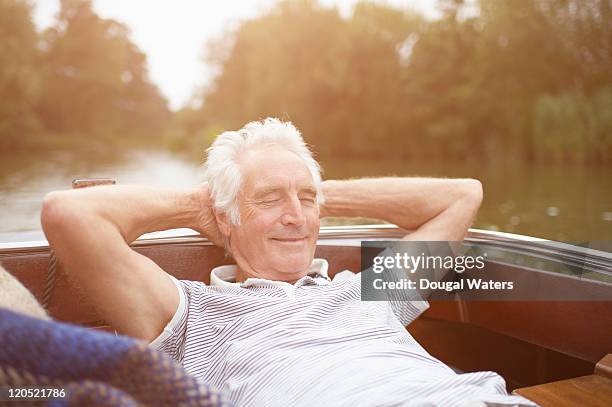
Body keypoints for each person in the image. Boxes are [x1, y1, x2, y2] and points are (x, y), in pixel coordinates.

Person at [41, 118, 534, 406]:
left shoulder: (367, 290)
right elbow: (68, 215)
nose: (296, 218)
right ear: (227, 215)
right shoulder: (194, 314)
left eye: (305, 199)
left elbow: (462, 196)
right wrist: (202, 207)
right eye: (271, 199)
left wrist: (320, 193)